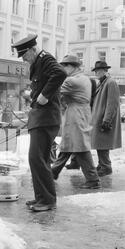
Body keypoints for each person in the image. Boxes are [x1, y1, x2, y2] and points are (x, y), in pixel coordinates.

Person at [12, 34, 67, 212]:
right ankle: (41, 197)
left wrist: (44, 95)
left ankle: (48, 200)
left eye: (25, 55)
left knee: (38, 158)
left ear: (33, 49)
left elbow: (60, 73)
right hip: (40, 118)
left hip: (46, 119)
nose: (25, 59)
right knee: (37, 159)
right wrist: (34, 97)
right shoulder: (38, 63)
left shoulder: (45, 59)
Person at [51, 55, 100, 189]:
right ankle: (53, 172)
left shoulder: (72, 81)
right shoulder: (84, 78)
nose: (64, 68)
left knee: (80, 146)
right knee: (68, 144)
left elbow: (53, 91)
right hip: (81, 113)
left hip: (76, 115)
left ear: (74, 67)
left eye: (66, 65)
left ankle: (93, 179)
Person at [91, 61, 122, 177]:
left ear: (105, 70)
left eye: (98, 71)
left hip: (104, 119)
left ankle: (106, 167)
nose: (96, 73)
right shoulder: (103, 82)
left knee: (103, 144)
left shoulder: (111, 82)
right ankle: (102, 165)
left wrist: (107, 120)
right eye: (95, 71)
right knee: (100, 144)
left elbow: (112, 103)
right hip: (100, 118)